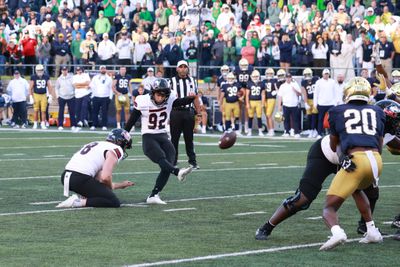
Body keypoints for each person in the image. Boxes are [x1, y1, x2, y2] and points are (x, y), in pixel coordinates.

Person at [255, 98, 400, 241]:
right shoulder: (360, 125)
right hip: (326, 155)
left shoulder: (384, 131)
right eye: (395, 120)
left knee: (372, 192)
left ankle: (366, 226)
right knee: (303, 199)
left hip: (353, 161)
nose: (397, 124)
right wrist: (342, 157)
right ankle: (267, 226)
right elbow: (337, 143)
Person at [320, 77, 385, 250]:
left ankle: (337, 233)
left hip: (356, 160)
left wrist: (344, 150)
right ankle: (372, 231)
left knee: (329, 208)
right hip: (376, 161)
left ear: (348, 92)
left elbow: (334, 145)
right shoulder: (377, 111)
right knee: (357, 189)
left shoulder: (336, 111)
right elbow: (379, 144)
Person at [124, 78, 195, 204]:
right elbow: (133, 119)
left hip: (162, 135)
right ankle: (178, 172)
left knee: (169, 161)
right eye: (158, 94)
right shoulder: (143, 100)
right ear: (152, 92)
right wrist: (124, 134)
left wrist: (191, 98)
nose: (161, 97)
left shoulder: (171, 98)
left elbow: (178, 102)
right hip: (149, 136)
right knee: (162, 158)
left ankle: (154, 195)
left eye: (164, 94)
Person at [56, 129, 134, 208]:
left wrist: (120, 185)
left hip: (67, 176)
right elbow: (105, 177)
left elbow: (100, 180)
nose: (124, 150)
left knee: (104, 194)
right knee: (113, 202)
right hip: (79, 178)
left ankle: (84, 196)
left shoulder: (98, 144)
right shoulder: (116, 149)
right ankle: (76, 202)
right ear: (120, 142)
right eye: (125, 146)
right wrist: (110, 188)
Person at [170, 60, 201, 169]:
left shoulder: (192, 80)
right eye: (181, 67)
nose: (183, 69)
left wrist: (199, 113)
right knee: (174, 139)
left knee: (189, 138)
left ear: (187, 68)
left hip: (188, 112)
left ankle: (192, 162)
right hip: (176, 112)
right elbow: (168, 100)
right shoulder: (171, 81)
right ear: (177, 69)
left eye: (185, 67)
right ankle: (173, 161)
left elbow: (196, 98)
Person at [276, 73, 302, 138]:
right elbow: (280, 96)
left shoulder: (295, 84)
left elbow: (300, 94)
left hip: (294, 105)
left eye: (289, 77)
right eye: (287, 77)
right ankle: (287, 131)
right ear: (285, 78)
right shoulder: (282, 86)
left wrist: (295, 90)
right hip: (286, 104)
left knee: (295, 119)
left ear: (291, 78)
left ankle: (296, 132)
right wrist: (279, 105)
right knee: (286, 119)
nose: (288, 78)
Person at [29, 64, 54, 129]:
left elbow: (49, 86)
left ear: (43, 70)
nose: (40, 71)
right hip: (36, 95)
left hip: (43, 95)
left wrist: (50, 95)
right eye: (38, 70)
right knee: (36, 110)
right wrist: (31, 96)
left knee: (43, 111)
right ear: (36, 71)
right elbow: (30, 87)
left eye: (41, 70)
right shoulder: (33, 77)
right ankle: (35, 123)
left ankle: (43, 123)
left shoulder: (46, 76)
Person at [90, 65, 113, 131]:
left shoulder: (109, 78)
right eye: (102, 69)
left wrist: (110, 97)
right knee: (95, 112)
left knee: (104, 112)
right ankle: (94, 125)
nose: (103, 70)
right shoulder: (95, 77)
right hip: (96, 97)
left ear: (106, 69)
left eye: (104, 69)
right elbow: (92, 86)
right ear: (100, 70)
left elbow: (111, 88)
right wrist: (93, 95)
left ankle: (104, 125)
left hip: (105, 97)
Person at [55, 66, 78, 132]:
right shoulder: (59, 79)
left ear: (67, 70)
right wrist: (57, 96)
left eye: (65, 70)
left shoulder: (71, 77)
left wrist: (74, 93)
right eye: (63, 70)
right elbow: (56, 88)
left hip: (71, 96)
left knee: (72, 111)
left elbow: (74, 86)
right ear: (61, 71)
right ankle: (60, 125)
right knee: (61, 111)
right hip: (62, 96)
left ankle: (73, 125)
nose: (64, 71)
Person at [246, 70, 265, 136]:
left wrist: (262, 103)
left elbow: (263, 94)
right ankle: (249, 131)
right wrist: (247, 103)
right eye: (254, 76)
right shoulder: (249, 83)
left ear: (259, 76)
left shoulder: (262, 83)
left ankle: (260, 131)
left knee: (259, 117)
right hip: (251, 101)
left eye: (256, 76)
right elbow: (247, 95)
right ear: (251, 77)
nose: (255, 78)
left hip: (259, 102)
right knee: (250, 117)